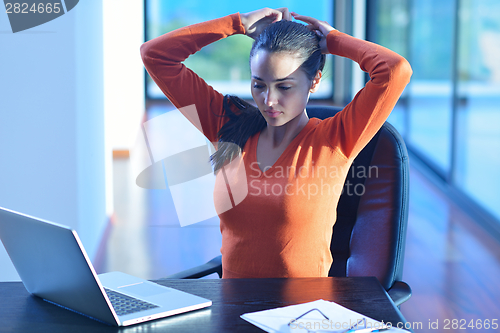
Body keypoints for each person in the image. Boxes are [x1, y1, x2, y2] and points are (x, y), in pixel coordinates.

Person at [140, 8, 412, 278]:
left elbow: (394, 70)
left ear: (314, 81)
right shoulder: (227, 125)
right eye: (259, 85)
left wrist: (335, 41)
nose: (268, 101)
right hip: (232, 308)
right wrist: (237, 24)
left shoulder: (336, 140)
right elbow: (155, 55)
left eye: (284, 87)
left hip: (302, 313)